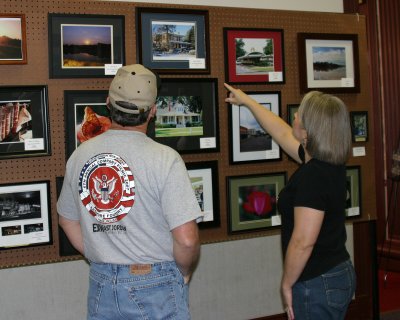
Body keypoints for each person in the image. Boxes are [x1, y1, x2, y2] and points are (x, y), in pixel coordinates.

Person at [57, 64, 202, 320]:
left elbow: (67, 220)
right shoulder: (165, 159)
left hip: (100, 282)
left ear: (107, 104)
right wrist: (184, 270)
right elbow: (187, 239)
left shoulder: (80, 156)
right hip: (155, 283)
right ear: (153, 111)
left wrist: (98, 255)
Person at [224, 83, 356, 320]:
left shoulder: (313, 175)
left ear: (308, 132)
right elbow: (282, 132)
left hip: (316, 282)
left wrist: (286, 283)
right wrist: (248, 101)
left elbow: (303, 242)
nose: (295, 116)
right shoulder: (327, 164)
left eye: (299, 115)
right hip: (336, 271)